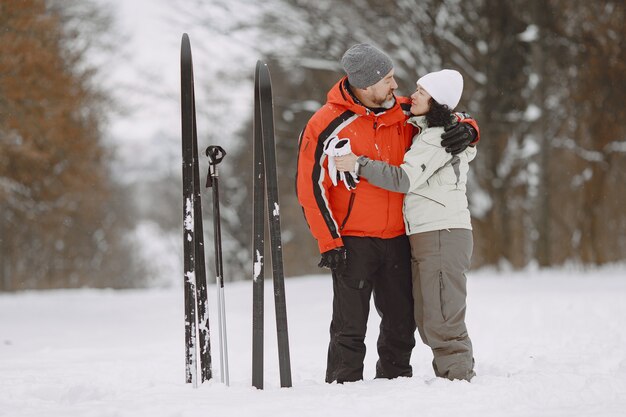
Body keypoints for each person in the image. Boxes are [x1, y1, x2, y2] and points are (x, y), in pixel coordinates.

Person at [295, 43, 479, 384]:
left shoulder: (405, 110)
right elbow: (309, 186)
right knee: (349, 325)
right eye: (389, 80)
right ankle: (342, 385)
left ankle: (396, 381)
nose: (397, 87)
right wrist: (329, 241)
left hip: (399, 236)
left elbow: (443, 111)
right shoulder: (326, 123)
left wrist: (469, 128)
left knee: (401, 321)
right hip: (352, 240)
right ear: (366, 86)